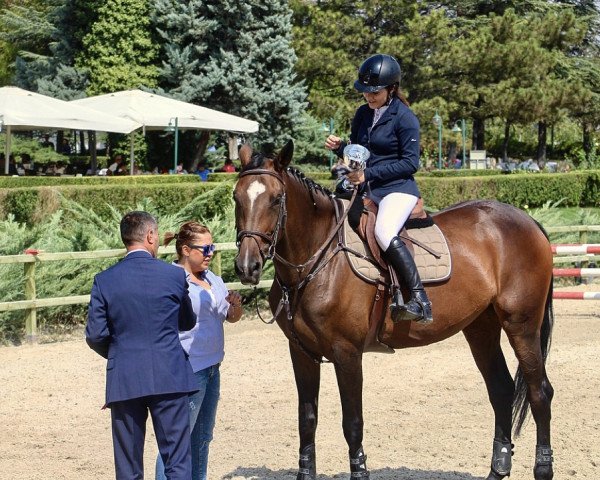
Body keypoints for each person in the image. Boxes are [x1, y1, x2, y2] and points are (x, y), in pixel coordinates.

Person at [86, 211, 199, 480]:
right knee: (177, 462)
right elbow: (187, 321)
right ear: (150, 236)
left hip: (125, 378)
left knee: (128, 466)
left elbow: (95, 335)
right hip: (170, 374)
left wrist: (119, 352)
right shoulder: (173, 276)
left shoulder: (104, 280)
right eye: (157, 235)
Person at [325, 53, 432, 325]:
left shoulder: (405, 118)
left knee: (383, 231)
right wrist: (341, 149)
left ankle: (420, 299)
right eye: (365, 93)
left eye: (374, 92)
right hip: (366, 186)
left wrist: (368, 173)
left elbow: (410, 163)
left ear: (392, 88)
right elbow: (359, 153)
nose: (368, 97)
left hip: (398, 189)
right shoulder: (362, 114)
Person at [156, 221, 243, 480]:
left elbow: (230, 317)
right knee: (176, 441)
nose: (210, 253)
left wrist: (235, 306)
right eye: (204, 249)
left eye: (212, 247)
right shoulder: (171, 280)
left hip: (213, 367)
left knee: (203, 437)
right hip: (187, 369)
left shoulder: (212, 278)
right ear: (185, 249)